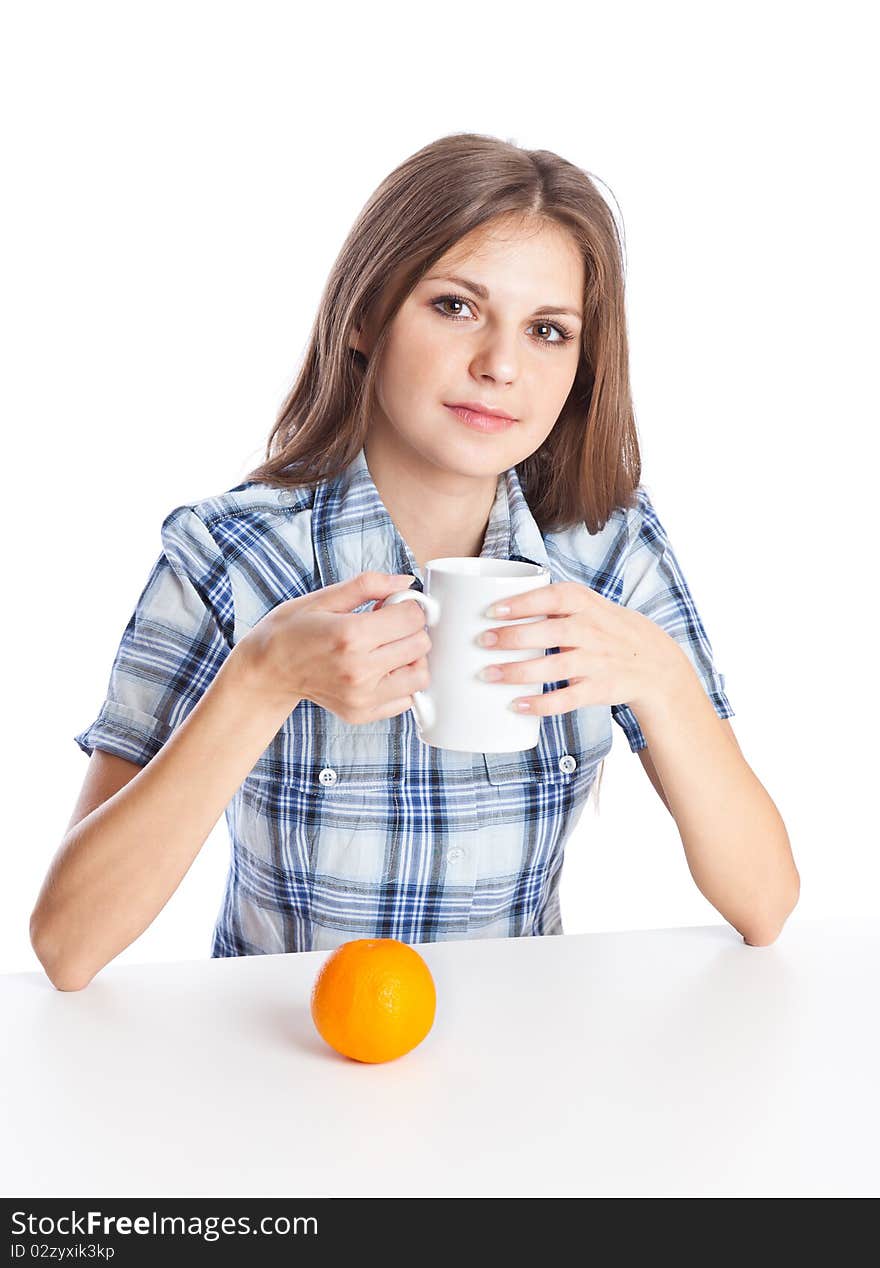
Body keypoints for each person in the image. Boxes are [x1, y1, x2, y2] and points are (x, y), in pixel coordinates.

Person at [30, 132, 800, 991]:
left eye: (548, 331)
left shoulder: (607, 547)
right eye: (455, 307)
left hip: (524, 1063)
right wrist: (260, 682)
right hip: (279, 1066)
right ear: (365, 317)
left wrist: (660, 678)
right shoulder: (230, 555)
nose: (501, 366)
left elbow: (765, 903)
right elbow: (68, 945)